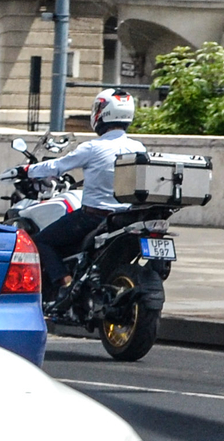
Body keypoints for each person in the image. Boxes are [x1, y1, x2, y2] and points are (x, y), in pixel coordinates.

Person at [23, 88, 148, 296]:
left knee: (42, 241)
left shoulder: (92, 147)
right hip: (126, 218)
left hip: (93, 218)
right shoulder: (138, 147)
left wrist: (28, 170)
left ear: (102, 113)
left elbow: (58, 166)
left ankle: (66, 284)